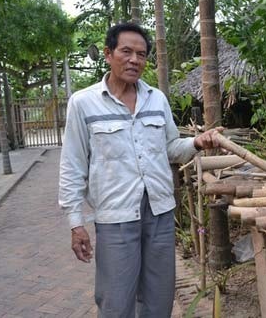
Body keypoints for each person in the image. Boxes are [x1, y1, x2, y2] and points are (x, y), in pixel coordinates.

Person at [58, 22, 222, 318]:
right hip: (116, 216)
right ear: (108, 54)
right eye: (127, 51)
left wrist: (197, 142)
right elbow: (72, 165)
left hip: (159, 212)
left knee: (159, 298)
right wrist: (75, 222)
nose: (135, 59)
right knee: (116, 301)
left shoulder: (156, 99)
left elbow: (170, 148)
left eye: (142, 54)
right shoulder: (83, 103)